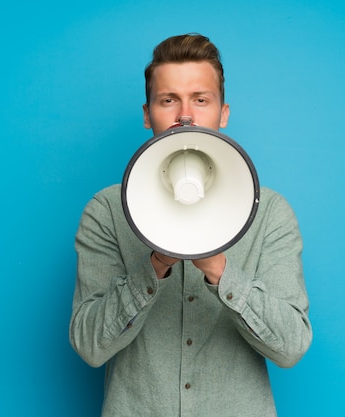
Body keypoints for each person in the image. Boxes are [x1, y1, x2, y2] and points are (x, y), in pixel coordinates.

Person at [69, 33, 312, 417]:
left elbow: (291, 347)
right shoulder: (107, 211)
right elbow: (89, 345)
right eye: (169, 100)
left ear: (223, 112)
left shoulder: (270, 213)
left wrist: (220, 269)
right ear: (148, 114)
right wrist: (154, 265)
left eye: (201, 100)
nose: (186, 116)